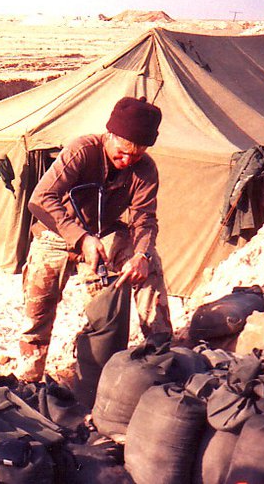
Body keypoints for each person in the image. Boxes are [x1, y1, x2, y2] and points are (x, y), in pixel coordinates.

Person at [17, 96, 172, 383]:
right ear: (109, 135)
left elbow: (145, 220)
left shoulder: (145, 169)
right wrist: (81, 238)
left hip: (105, 235)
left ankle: (160, 352)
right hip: (56, 233)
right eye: (123, 152)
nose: (127, 161)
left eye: (136, 156)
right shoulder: (83, 150)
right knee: (37, 315)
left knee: (148, 265)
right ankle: (29, 381)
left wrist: (141, 256)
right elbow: (40, 199)